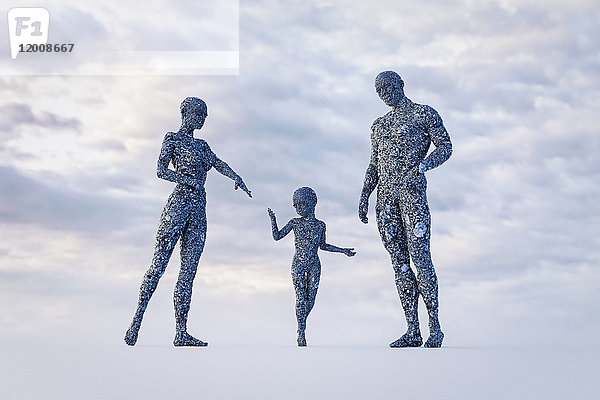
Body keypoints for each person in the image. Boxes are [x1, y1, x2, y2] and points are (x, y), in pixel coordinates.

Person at [125, 97, 252, 347]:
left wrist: (235, 176)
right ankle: (136, 321)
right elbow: (161, 170)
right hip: (178, 205)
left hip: (198, 211)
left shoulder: (203, 145)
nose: (203, 118)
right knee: (158, 266)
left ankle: (181, 332)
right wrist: (188, 181)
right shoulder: (172, 138)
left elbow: (218, 163)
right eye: (200, 113)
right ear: (186, 113)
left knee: (188, 273)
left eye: (205, 115)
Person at [359, 71, 452, 348]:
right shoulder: (378, 126)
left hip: (411, 196)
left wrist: (422, 166)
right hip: (385, 201)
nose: (385, 93)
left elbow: (445, 147)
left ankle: (434, 326)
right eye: (379, 90)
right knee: (399, 264)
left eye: (388, 86)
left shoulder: (423, 113)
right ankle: (413, 329)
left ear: (401, 85)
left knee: (420, 259)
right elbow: (374, 164)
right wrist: (365, 195)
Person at [268, 187, 355, 346]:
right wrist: (273, 220)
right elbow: (277, 236)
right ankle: (301, 331)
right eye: (295, 205)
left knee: (311, 300)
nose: (298, 208)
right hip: (298, 263)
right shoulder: (295, 222)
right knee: (300, 298)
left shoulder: (320, 225)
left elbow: (323, 245)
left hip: (314, 264)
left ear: (312, 203)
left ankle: (301, 321)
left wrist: (343, 251)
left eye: (301, 203)